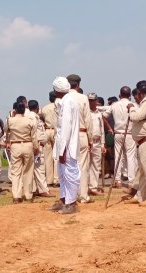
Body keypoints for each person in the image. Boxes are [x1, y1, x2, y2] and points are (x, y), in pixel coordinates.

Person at [51, 76, 80, 215]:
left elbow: (66, 128)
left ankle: (71, 203)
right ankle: (63, 200)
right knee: (62, 174)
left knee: (70, 174)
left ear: (56, 90)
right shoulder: (65, 101)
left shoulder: (68, 102)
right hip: (63, 144)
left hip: (67, 145)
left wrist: (62, 150)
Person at [65, 74, 93, 204]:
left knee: (69, 166)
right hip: (81, 134)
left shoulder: (64, 98)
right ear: (78, 85)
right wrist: (91, 139)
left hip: (68, 136)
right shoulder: (82, 98)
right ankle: (83, 195)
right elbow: (88, 119)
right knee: (83, 166)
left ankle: (71, 195)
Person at [5, 102, 39, 203]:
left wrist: (7, 141)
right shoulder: (29, 120)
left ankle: (17, 196)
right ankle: (28, 195)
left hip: (15, 145)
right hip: (28, 144)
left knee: (16, 172)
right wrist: (36, 147)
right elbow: (33, 135)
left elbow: (5, 130)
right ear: (24, 110)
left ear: (15, 110)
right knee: (28, 171)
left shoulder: (10, 120)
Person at [110, 86, 137, 190]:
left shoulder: (114, 105)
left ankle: (117, 180)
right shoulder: (134, 105)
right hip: (129, 134)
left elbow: (105, 114)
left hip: (118, 133)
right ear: (130, 96)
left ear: (119, 95)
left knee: (118, 156)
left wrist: (110, 127)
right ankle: (131, 181)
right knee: (130, 157)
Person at [28, 100, 53, 197]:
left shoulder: (32, 117)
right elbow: (33, 133)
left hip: (38, 145)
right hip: (37, 146)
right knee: (40, 168)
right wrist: (36, 146)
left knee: (35, 169)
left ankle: (35, 189)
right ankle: (43, 190)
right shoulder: (33, 117)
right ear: (37, 108)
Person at [38, 91, 59, 187]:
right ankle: (56, 179)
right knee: (57, 156)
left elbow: (40, 117)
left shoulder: (44, 108)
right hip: (56, 131)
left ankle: (49, 180)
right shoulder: (58, 106)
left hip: (47, 131)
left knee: (48, 157)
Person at [86, 93, 106, 196]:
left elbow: (102, 129)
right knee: (86, 165)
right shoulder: (86, 113)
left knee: (96, 165)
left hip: (98, 141)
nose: (91, 102)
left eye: (93, 100)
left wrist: (103, 144)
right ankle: (85, 187)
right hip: (88, 142)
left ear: (96, 101)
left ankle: (93, 187)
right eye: (89, 100)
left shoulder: (99, 113)